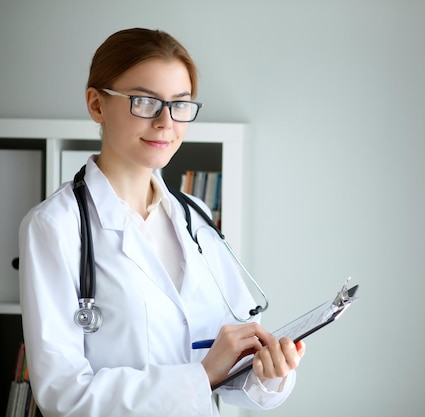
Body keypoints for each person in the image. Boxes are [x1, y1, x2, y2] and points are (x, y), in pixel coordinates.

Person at [18, 28, 305, 417]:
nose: (166, 122)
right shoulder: (55, 227)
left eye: (180, 104)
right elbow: (62, 394)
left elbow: (236, 359)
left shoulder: (195, 217)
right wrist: (200, 377)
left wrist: (269, 371)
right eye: (144, 102)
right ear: (96, 105)